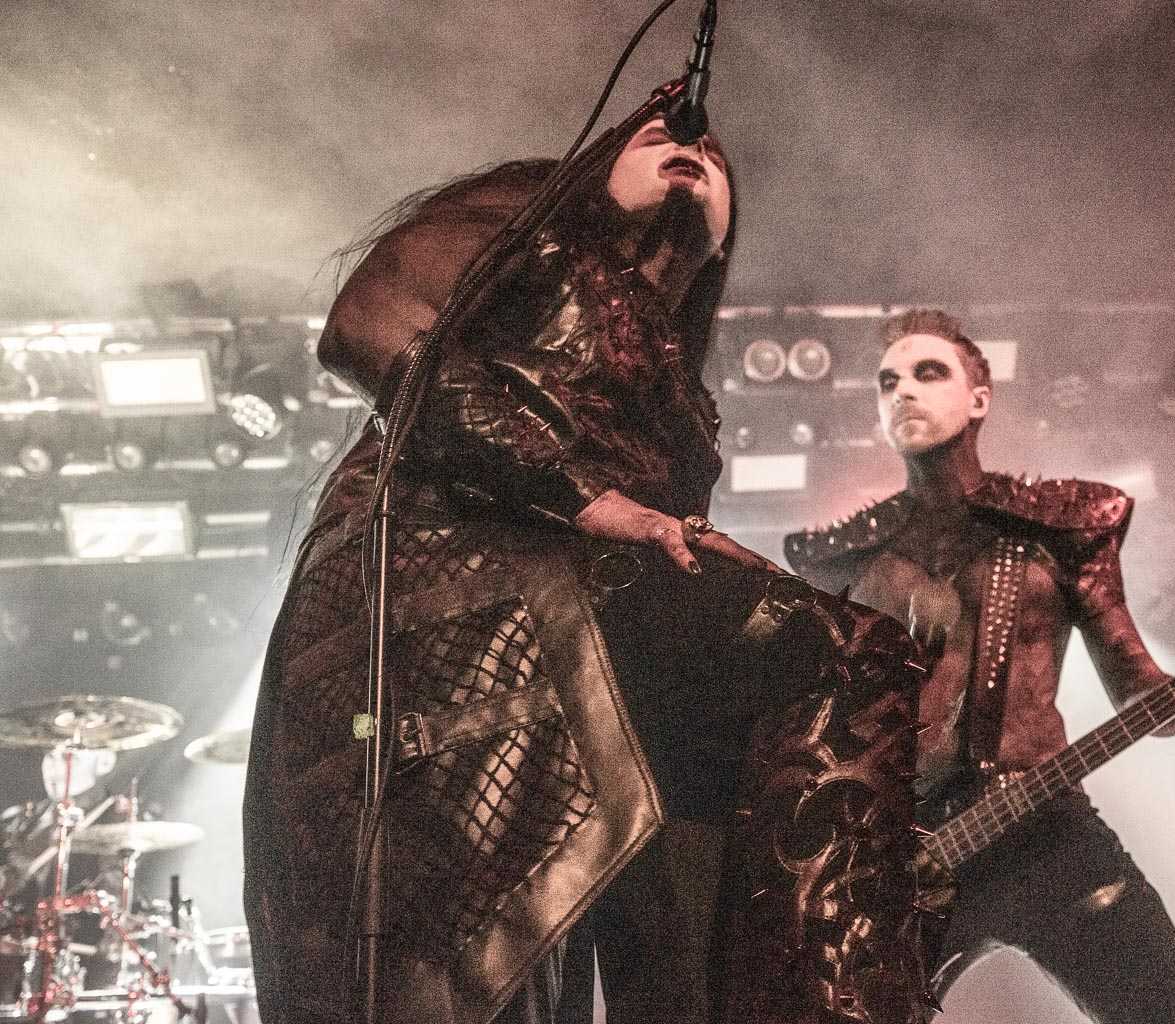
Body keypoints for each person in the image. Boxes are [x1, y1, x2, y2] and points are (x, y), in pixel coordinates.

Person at [243, 119, 930, 1024]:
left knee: (779, 720)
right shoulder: (531, 237)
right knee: (836, 646)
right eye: (658, 129)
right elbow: (362, 326)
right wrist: (585, 497)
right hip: (446, 591)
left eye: (716, 155)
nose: (690, 140)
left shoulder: (673, 378)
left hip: (575, 640)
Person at [784, 309, 1175, 1024]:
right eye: (888, 382)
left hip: (1047, 832)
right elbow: (817, 729)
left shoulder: (1059, 528)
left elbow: (1138, 687)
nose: (903, 391)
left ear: (979, 398)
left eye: (929, 373)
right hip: (906, 858)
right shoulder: (844, 560)